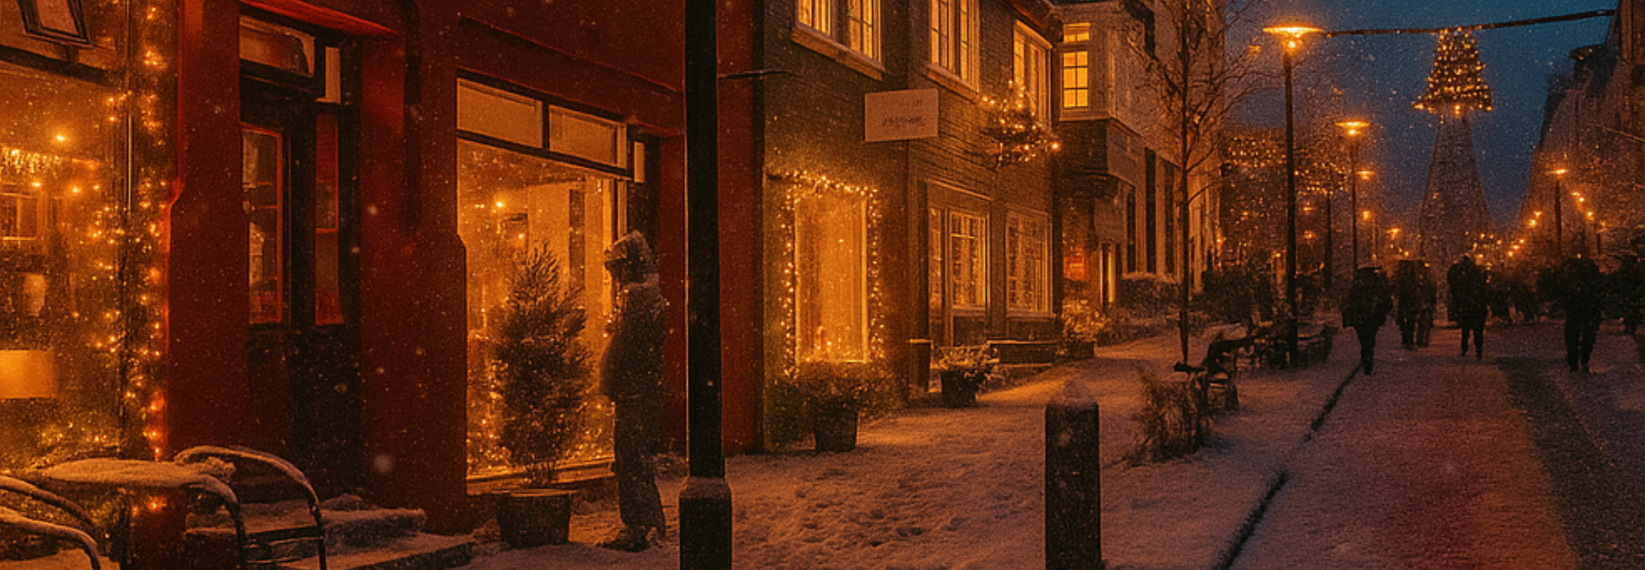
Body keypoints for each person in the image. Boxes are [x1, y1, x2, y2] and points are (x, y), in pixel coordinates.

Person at [599, 231, 668, 551]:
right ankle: (649, 520)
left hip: (634, 391)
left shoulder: (636, 299)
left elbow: (625, 347)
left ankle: (638, 525)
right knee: (636, 458)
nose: (613, 277)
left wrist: (612, 379)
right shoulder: (647, 298)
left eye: (616, 270)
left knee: (630, 459)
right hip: (640, 389)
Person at [1342, 266, 1394, 375]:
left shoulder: (1357, 287)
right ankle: (1367, 355)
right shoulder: (1377, 286)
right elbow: (1386, 301)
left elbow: (1348, 302)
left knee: (1363, 337)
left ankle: (1366, 355)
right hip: (1371, 317)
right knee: (1369, 337)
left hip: (1360, 317)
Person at [1560, 257, 1606, 373]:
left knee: (1573, 336)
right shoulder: (1595, 279)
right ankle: (1583, 359)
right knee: (1587, 336)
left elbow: (1564, 294)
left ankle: (1574, 361)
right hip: (1589, 310)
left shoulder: (1572, 279)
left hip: (1576, 310)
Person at [1447, 255, 1488, 359]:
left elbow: (1455, 286)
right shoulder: (1477, 277)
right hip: (1476, 307)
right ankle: (1478, 350)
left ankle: (1465, 349)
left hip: (1467, 306)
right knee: (1477, 331)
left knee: (1466, 330)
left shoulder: (1463, 278)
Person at [1393, 260, 1424, 350]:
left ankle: (1408, 339)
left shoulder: (1407, 277)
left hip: (1409, 301)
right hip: (1407, 301)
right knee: (1407, 321)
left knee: (1410, 321)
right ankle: (1407, 339)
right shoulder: (1410, 277)